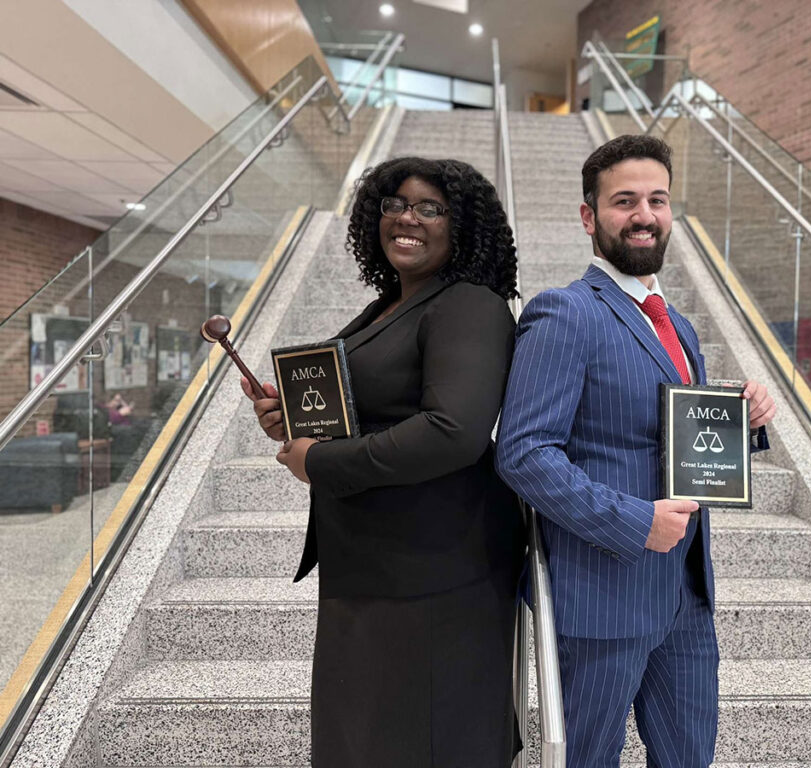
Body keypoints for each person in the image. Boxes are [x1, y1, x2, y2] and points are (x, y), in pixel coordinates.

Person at [495, 135, 777, 768]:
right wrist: (634, 520)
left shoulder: (678, 326)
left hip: (684, 596)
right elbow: (523, 453)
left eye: (658, 199)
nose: (644, 214)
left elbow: (679, 439)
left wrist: (745, 419)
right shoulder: (564, 314)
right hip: (601, 593)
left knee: (688, 757)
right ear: (590, 216)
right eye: (624, 201)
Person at [242, 156, 526, 767]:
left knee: (424, 741)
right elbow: (367, 409)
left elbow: (454, 432)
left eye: (430, 208)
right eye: (395, 204)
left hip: (434, 573)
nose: (406, 218)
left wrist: (321, 461)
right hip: (374, 565)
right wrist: (292, 419)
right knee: (366, 739)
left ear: (463, 226)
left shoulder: (469, 304)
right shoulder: (388, 305)